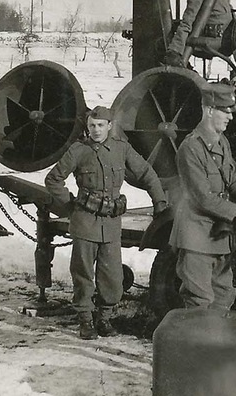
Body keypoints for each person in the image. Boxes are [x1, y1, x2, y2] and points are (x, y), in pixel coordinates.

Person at [44, 106, 169, 339]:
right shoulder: (79, 150)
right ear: (87, 127)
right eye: (92, 126)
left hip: (111, 224)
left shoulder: (121, 149)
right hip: (85, 223)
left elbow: (146, 173)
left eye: (101, 125)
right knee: (82, 274)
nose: (96, 130)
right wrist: (70, 205)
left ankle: (105, 317)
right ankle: (85, 320)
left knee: (112, 277)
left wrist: (159, 200)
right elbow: (53, 179)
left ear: (110, 126)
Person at [169, 82, 236, 309]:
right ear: (209, 110)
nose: (230, 117)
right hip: (196, 237)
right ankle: (196, 346)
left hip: (219, 237)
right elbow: (203, 197)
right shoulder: (190, 147)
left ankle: (214, 344)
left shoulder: (222, 142)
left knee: (222, 297)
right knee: (199, 301)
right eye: (226, 111)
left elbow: (234, 178)